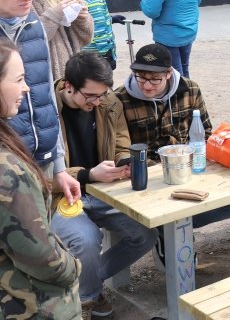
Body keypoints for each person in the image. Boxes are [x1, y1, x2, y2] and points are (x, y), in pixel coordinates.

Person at [49, 52, 157, 319]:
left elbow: (121, 140)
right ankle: (86, 301)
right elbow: (37, 173)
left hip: (104, 191)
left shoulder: (109, 102)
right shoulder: (44, 112)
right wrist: (87, 175)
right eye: (90, 96)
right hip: (60, 196)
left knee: (145, 234)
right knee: (86, 240)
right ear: (68, 86)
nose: (97, 102)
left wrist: (123, 161)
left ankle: (80, 285)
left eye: (102, 95)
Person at [114, 44, 230, 244]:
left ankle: (168, 231)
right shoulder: (120, 98)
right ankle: (170, 235)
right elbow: (120, 150)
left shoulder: (190, 89)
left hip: (187, 169)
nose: (147, 85)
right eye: (141, 77)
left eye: (154, 79)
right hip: (147, 177)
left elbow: (205, 133)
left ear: (168, 74)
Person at [0, 42, 81, 320]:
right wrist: (73, 267)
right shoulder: (7, 171)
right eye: (19, 79)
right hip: (30, 305)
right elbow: (41, 257)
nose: (26, 88)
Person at [0, 0, 82, 220]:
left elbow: (45, 96)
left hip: (44, 162)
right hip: (7, 169)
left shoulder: (33, 22)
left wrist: (58, 167)